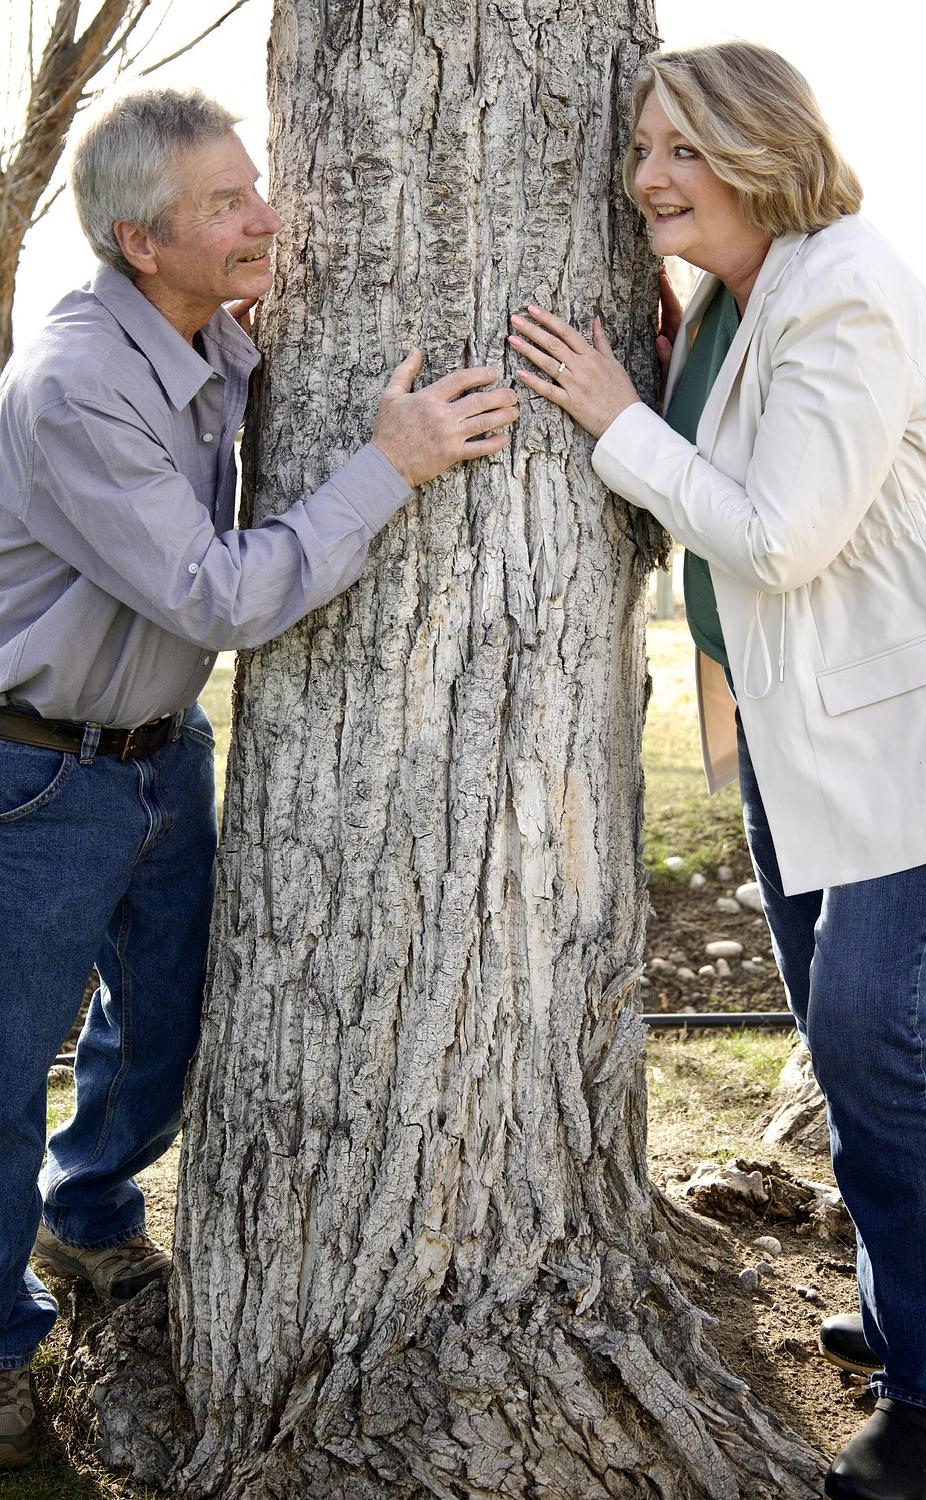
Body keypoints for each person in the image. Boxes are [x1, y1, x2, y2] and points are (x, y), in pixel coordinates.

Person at [509, 39, 926, 1500]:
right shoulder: (732, 297)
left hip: (900, 729)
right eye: (642, 148)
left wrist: (616, 417)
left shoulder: (845, 289)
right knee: (846, 1032)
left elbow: (779, 535)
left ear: (764, 150)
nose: (649, 176)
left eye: (684, 148)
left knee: (864, 1036)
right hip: (791, 728)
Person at [0, 86, 518, 1471]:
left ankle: (86, 1218)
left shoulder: (209, 334)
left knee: (164, 1034)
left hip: (162, 753)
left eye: (254, 186)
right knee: (2, 1071)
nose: (267, 219)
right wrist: (389, 466)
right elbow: (217, 594)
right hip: (32, 775)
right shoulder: (75, 385)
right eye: (225, 204)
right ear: (139, 241)